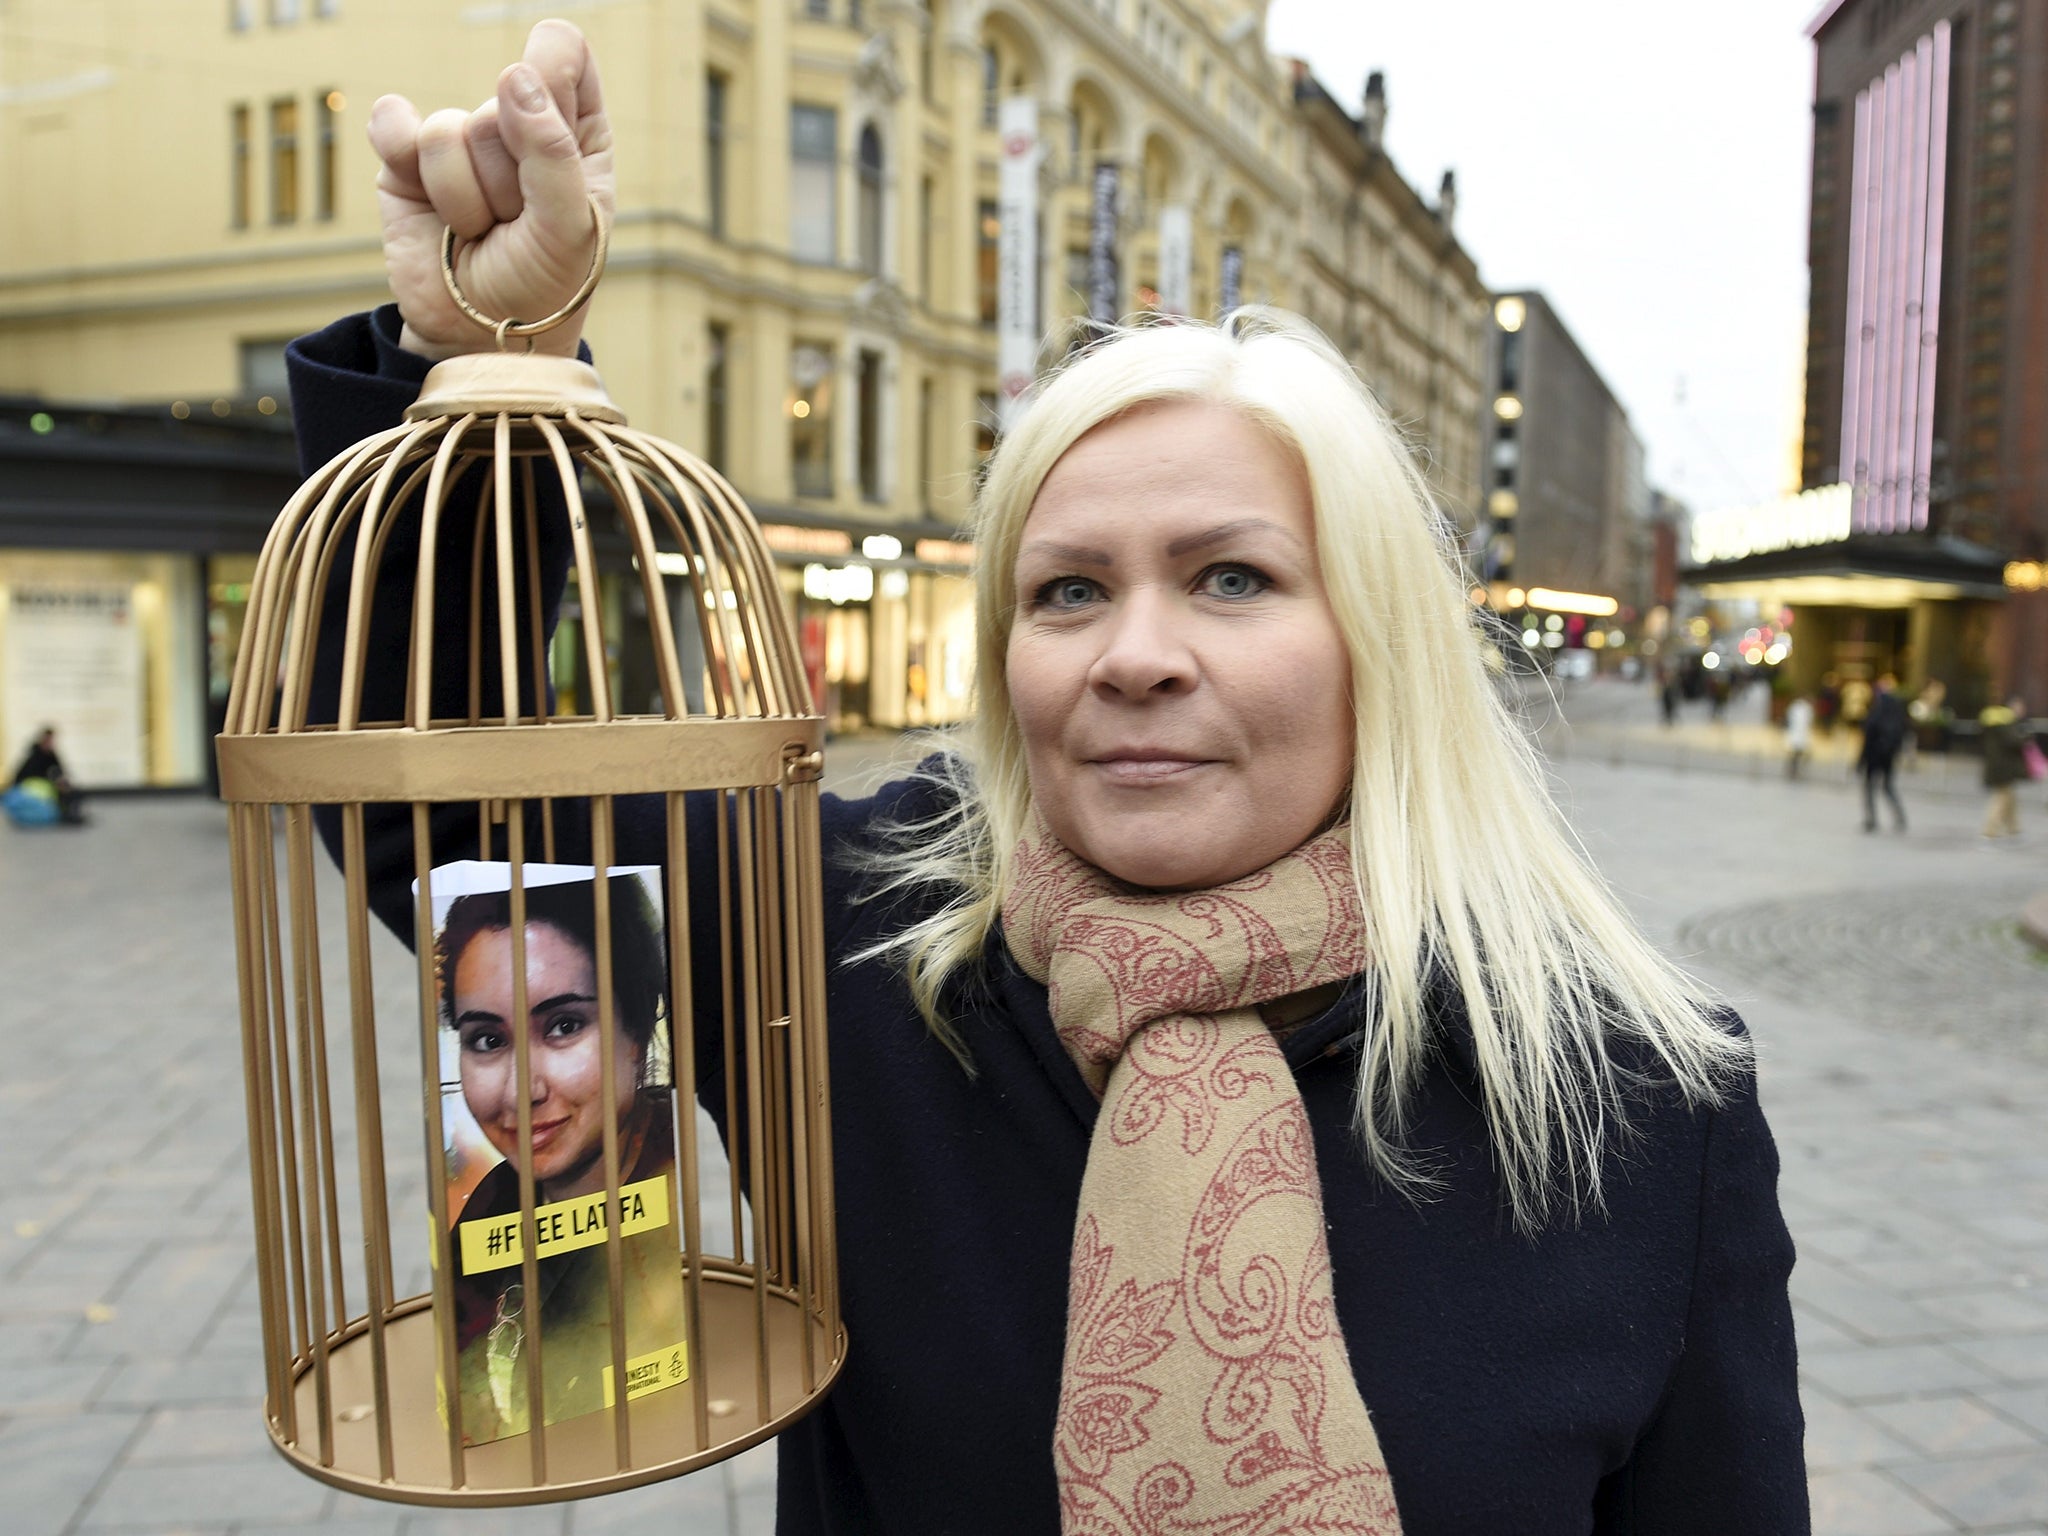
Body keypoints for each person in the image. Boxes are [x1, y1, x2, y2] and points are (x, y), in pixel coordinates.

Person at [285, 22, 1806, 1530]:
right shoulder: (848, 940)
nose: (1131, 654)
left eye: (1229, 579)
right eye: (1068, 591)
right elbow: (447, 808)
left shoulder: (1641, 1102)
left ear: (1375, 638)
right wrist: (481, 381)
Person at [438, 874, 683, 1442]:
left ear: (638, 1030)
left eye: (564, 1026)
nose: (522, 1091)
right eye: (487, 1040)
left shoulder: (651, 1239)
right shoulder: (484, 1209)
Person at [1858, 674, 1909, 832]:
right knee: (1888, 787)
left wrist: (1861, 759)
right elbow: (1903, 733)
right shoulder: (1896, 712)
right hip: (1888, 757)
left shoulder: (1877, 712)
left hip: (1874, 756)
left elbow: (1868, 736)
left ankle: (1871, 819)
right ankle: (1899, 816)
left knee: (1869, 788)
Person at [1978, 695, 2032, 840]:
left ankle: (2014, 828)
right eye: (2019, 707)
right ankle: (1990, 830)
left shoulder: (1991, 719)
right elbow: (2013, 741)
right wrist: (2026, 737)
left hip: (1996, 764)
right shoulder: (2006, 721)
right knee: (2002, 798)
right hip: (2004, 766)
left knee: (2009, 797)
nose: (2021, 710)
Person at [9, 726, 86, 825]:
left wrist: (63, 781)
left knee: (70, 791)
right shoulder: (36, 754)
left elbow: (59, 769)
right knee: (59, 791)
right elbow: (31, 773)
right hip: (32, 784)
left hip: (43, 782)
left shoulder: (50, 753)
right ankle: (63, 814)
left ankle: (70, 813)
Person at [1785, 693, 1815, 780]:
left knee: (1796, 754)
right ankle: (1793, 770)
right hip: (1798, 735)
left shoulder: (1796, 707)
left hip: (1799, 735)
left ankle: (1794, 770)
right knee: (1796, 754)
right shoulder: (1805, 709)